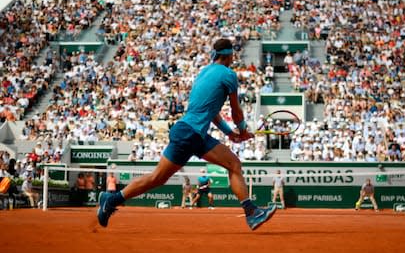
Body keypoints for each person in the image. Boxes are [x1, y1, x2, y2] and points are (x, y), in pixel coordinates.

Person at [97, 38, 276, 230]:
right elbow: (236, 110)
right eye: (232, 55)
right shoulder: (228, 74)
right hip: (191, 134)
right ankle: (251, 212)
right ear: (229, 56)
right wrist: (242, 130)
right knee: (160, 177)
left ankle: (111, 199)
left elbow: (212, 112)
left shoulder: (203, 72)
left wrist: (230, 134)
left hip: (190, 132)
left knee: (228, 165)